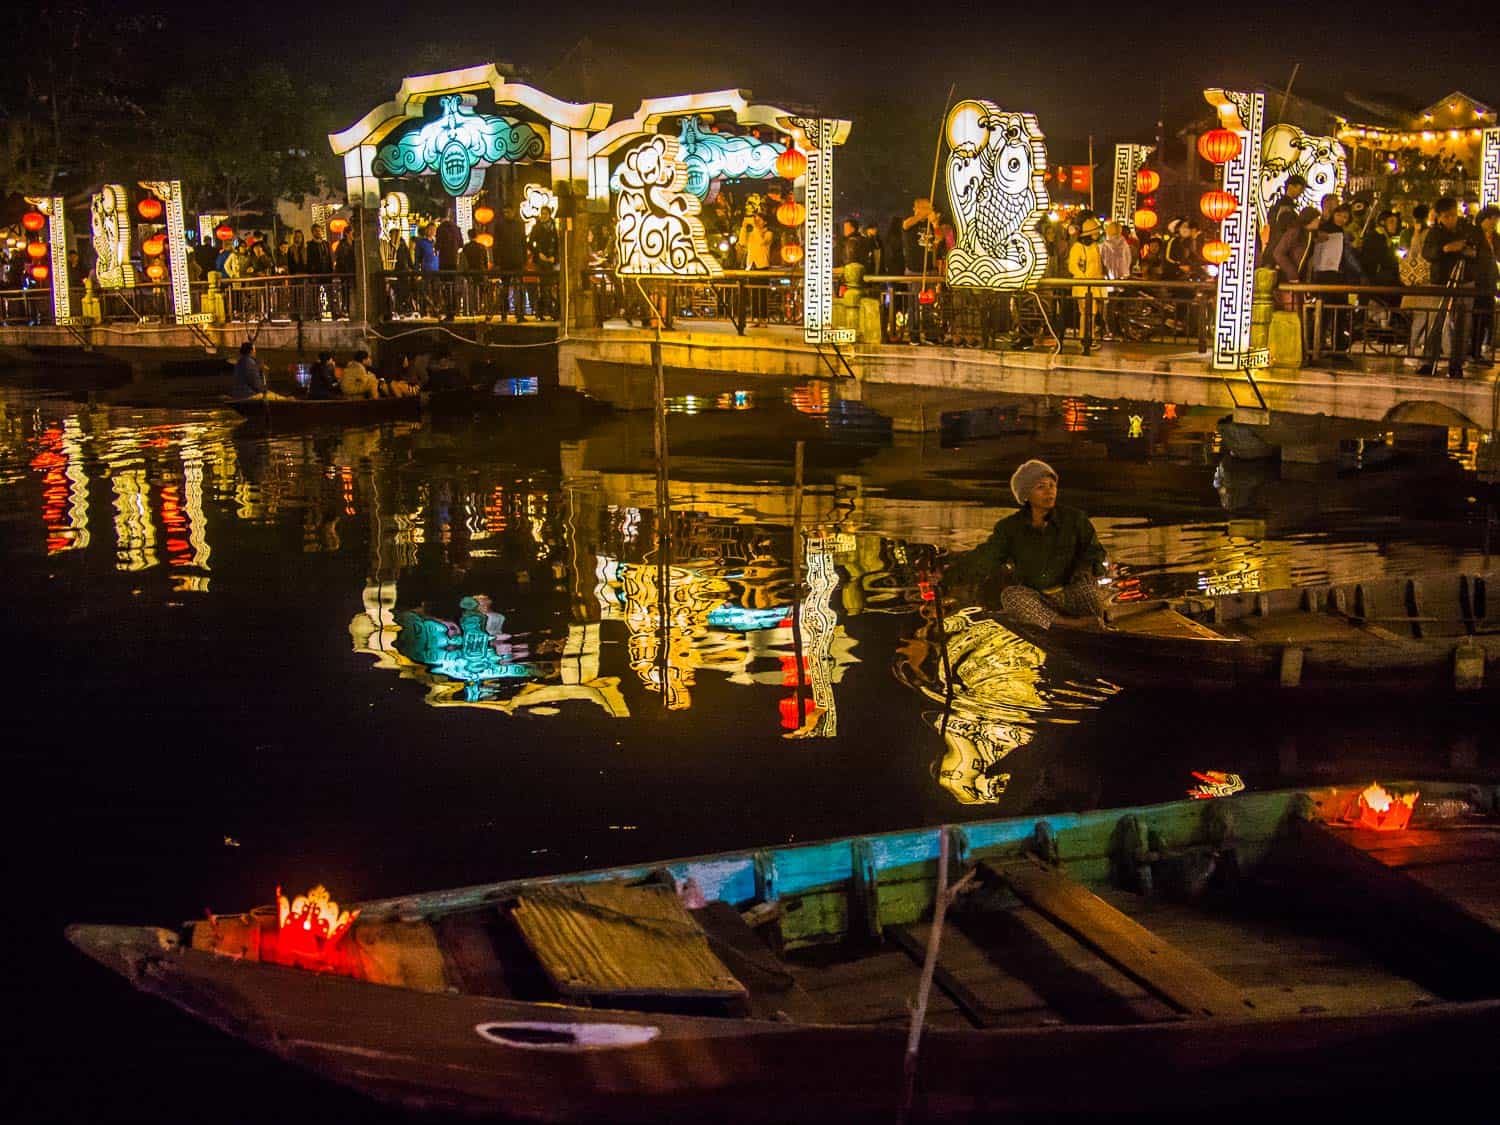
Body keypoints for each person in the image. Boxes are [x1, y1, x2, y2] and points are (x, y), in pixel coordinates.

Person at [948, 459, 1109, 631]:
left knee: (1088, 590)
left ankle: (1095, 626)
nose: (1049, 492)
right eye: (1041, 487)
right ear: (1025, 495)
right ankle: (1073, 625)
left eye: (1052, 485)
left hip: (1071, 592)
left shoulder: (1075, 519)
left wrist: (1086, 570)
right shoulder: (1009, 528)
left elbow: (1094, 553)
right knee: (1010, 596)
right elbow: (985, 558)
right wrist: (948, 575)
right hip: (1038, 598)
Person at [1417, 196, 1476, 379]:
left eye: (1453, 215)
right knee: (1437, 323)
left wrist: (1468, 251)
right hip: (1441, 282)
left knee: (1462, 327)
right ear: (1440, 216)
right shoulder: (1434, 233)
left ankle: (1456, 364)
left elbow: (1477, 251)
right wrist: (1446, 249)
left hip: (1464, 282)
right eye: (1447, 216)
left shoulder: (1467, 229)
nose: (1451, 219)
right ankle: (1429, 361)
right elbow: (1427, 253)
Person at [1469, 205, 1498, 367]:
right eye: (1493, 220)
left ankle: (1479, 351)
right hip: (1477, 283)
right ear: (1485, 219)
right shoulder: (1474, 235)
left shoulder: (1494, 237)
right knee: (1478, 318)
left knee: (1487, 318)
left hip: (1490, 283)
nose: (1495, 223)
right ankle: (1474, 353)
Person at [494, 204, 527, 320]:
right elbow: (496, 244)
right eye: (505, 212)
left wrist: (524, 259)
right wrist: (497, 261)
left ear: (513, 212)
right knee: (505, 288)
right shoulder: (500, 225)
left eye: (508, 212)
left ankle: (520, 313)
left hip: (517, 260)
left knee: (519, 288)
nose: (506, 214)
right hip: (505, 261)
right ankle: (504, 313)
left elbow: (523, 242)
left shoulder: (519, 225)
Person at [526, 206, 559, 320]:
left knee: (549, 286)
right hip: (541, 260)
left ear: (549, 215)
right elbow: (530, 243)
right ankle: (548, 311)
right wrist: (538, 253)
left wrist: (555, 257)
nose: (543, 216)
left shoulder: (554, 227)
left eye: (546, 214)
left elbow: (557, 245)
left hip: (551, 260)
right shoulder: (537, 227)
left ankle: (542, 311)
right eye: (542, 214)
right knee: (544, 286)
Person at [741, 212, 774, 326]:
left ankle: (764, 318)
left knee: (763, 293)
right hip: (752, 265)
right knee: (753, 293)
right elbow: (742, 242)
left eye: (759, 220)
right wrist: (744, 227)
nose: (756, 222)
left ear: (765, 222)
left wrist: (755, 227)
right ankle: (755, 318)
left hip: (763, 266)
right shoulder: (752, 234)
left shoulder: (768, 233)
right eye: (756, 220)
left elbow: (762, 242)